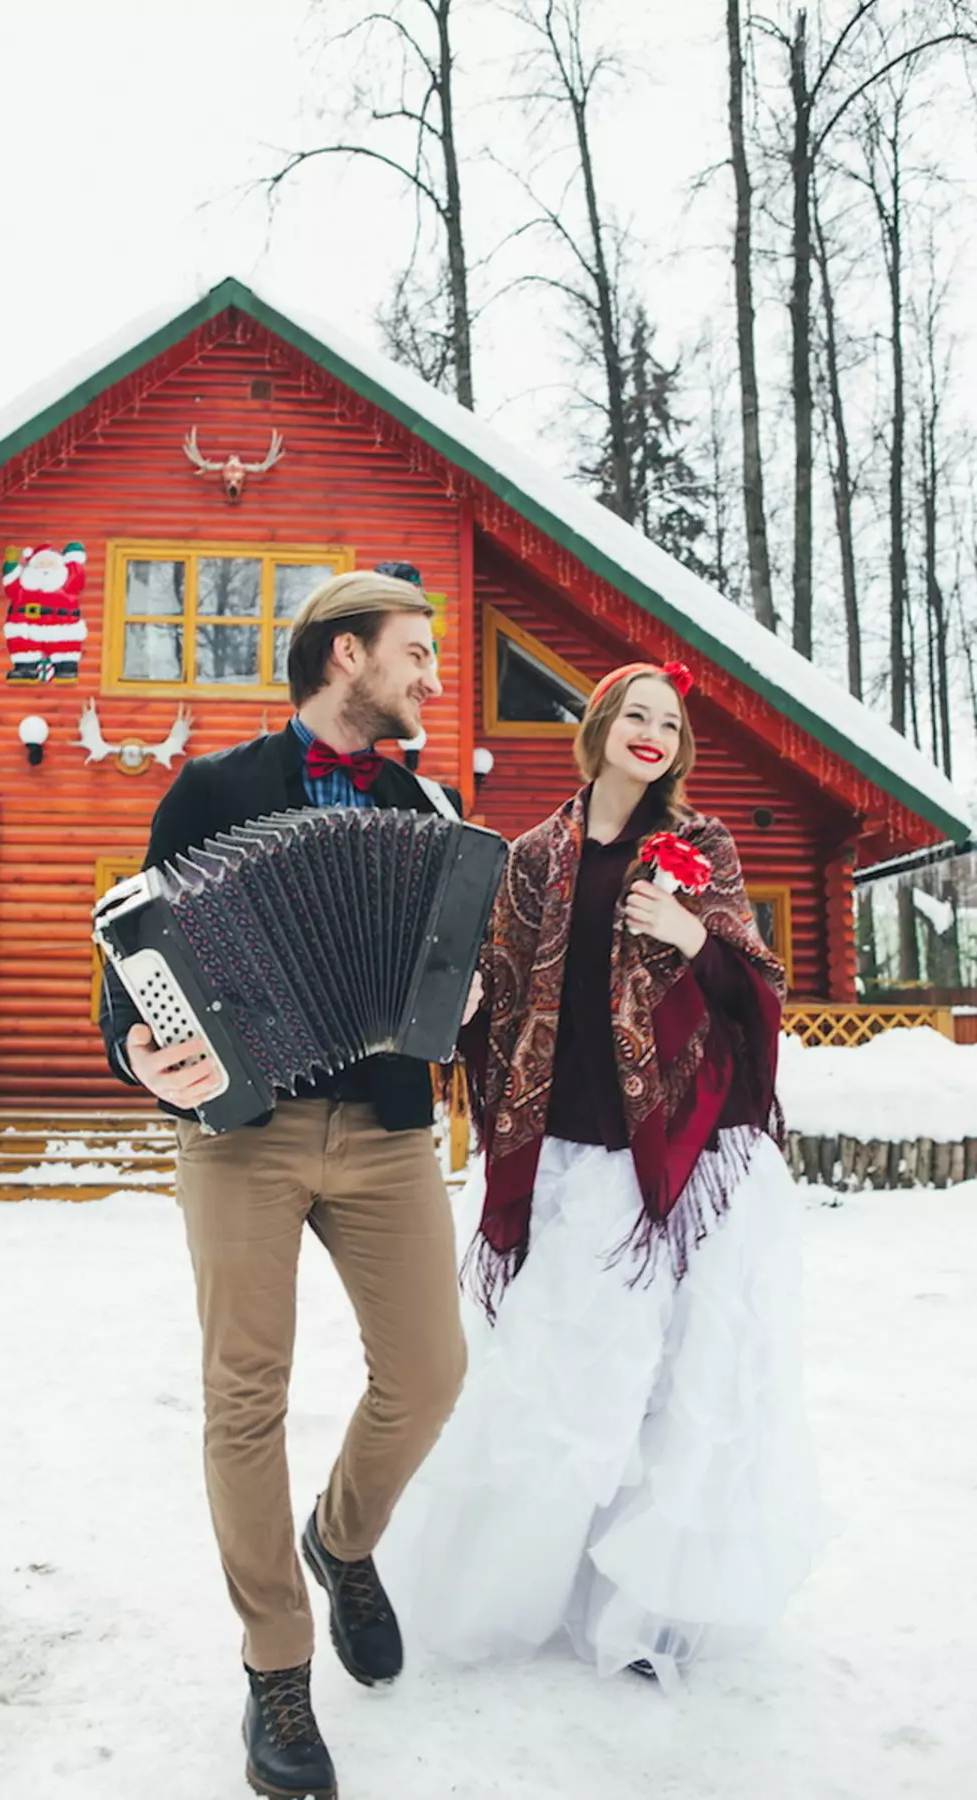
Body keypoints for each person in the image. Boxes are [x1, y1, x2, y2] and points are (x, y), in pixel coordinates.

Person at [101, 570, 477, 1800]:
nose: (431, 675)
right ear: (345, 655)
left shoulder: (430, 806)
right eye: (414, 652)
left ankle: (344, 1538)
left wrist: (458, 1004)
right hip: (240, 1133)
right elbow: (135, 964)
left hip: (383, 1132)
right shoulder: (210, 793)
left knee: (429, 1372)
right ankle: (276, 1668)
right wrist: (141, 1049)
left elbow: (445, 984)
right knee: (242, 1398)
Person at [388, 657, 819, 1691]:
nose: (653, 732)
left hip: (684, 1157)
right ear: (599, 728)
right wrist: (462, 1013)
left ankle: (644, 1617)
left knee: (677, 1385)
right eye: (636, 713)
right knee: (564, 1378)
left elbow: (758, 991)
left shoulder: (700, 849)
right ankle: (530, 1591)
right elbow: (496, 980)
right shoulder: (535, 853)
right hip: (576, 1153)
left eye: (669, 722)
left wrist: (696, 938)